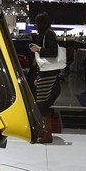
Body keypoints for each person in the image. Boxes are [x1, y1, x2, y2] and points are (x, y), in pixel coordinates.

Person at [28, 12, 62, 143]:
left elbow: (53, 52)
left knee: (42, 104)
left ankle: (47, 134)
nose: (37, 26)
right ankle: (44, 131)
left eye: (38, 23)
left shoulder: (49, 34)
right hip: (46, 72)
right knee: (41, 104)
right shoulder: (46, 34)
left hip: (48, 73)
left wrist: (38, 49)